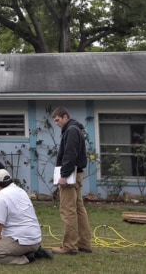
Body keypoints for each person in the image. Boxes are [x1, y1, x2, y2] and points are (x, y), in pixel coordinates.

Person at [0, 169, 53, 265]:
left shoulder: (2, 195)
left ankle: (25, 258)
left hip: (23, 241)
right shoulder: (20, 191)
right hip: (36, 239)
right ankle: (34, 251)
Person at [51, 106, 93, 254]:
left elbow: (70, 154)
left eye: (58, 120)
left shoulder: (71, 130)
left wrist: (63, 175)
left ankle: (69, 246)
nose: (57, 123)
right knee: (79, 208)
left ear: (65, 117)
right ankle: (84, 243)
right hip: (77, 173)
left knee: (67, 209)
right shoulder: (76, 129)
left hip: (70, 175)